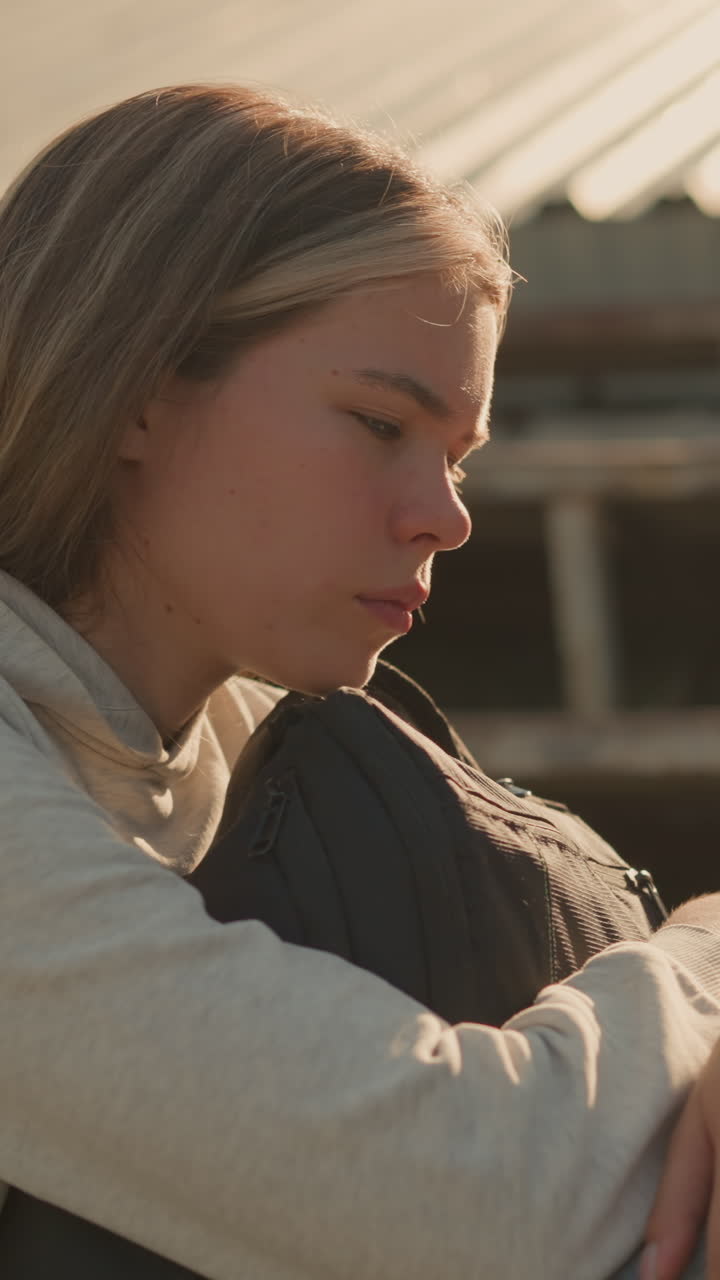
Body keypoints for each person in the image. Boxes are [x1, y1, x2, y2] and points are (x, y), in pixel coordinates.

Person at [0, 82, 716, 1280]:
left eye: (458, 459)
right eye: (381, 423)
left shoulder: (240, 737)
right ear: (133, 391)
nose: (448, 517)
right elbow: (487, 1212)